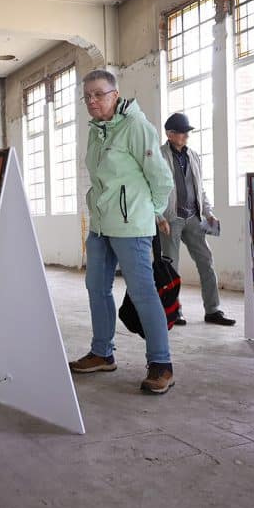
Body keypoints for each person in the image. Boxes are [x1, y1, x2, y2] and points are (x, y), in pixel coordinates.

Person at [68, 70, 177, 394]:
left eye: (98, 94)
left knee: (143, 292)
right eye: (87, 96)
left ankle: (161, 364)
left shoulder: (136, 127)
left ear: (115, 94)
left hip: (131, 227)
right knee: (96, 288)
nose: (92, 101)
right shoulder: (96, 131)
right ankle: (102, 352)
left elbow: (161, 179)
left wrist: (151, 212)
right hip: (101, 226)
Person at [157, 112, 235, 327]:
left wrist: (208, 212)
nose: (186, 137)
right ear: (170, 134)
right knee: (171, 269)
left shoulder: (194, 156)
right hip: (170, 219)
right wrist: (159, 216)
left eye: (187, 133)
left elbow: (200, 189)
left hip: (193, 217)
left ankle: (213, 310)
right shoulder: (158, 156)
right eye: (182, 133)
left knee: (206, 262)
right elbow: (150, 188)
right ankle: (175, 312)